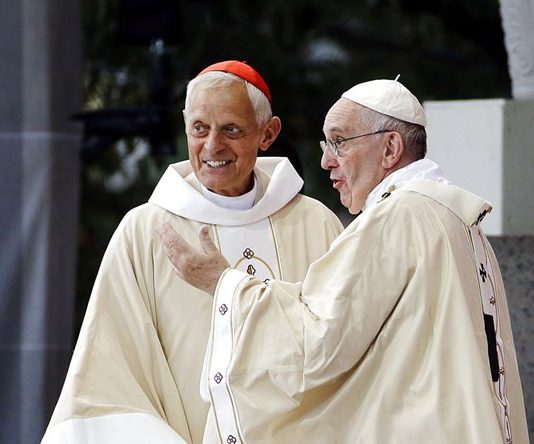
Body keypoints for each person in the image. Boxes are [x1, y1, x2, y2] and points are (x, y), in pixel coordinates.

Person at [157, 78, 530, 443]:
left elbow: (319, 343)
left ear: (390, 149)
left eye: (339, 141)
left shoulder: (396, 218)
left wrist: (224, 284)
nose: (325, 161)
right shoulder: (456, 219)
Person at [41, 61, 343, 443]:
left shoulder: (315, 225)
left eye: (231, 129)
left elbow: (342, 348)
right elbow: (110, 372)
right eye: (200, 128)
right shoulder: (145, 231)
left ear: (267, 133)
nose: (213, 146)